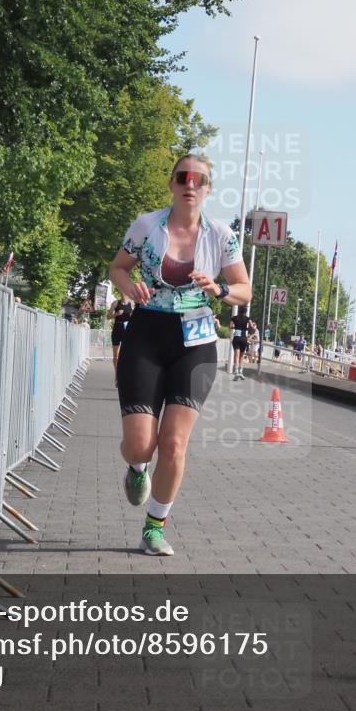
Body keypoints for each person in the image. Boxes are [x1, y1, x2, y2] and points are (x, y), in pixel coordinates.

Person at [108, 154, 251, 556]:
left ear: (208, 189)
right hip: (148, 332)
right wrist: (130, 285)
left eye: (200, 179)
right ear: (172, 183)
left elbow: (244, 289)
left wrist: (219, 290)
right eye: (183, 177)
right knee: (141, 445)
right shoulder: (146, 225)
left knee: (173, 444)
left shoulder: (221, 235)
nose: (191, 184)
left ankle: (154, 528)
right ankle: (137, 469)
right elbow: (117, 268)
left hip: (197, 337)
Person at [108, 294, 134, 385]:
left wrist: (132, 316)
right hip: (117, 329)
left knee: (127, 354)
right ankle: (117, 375)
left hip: (127, 329)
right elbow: (108, 316)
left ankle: (126, 375)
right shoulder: (115, 303)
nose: (123, 293)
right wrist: (116, 314)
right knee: (115, 356)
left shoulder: (132, 303)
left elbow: (136, 318)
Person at [229, 305, 251, 380]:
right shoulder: (247, 319)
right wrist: (246, 328)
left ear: (238, 310)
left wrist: (236, 327)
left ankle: (236, 371)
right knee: (241, 356)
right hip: (244, 338)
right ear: (246, 311)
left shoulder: (234, 318)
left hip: (237, 338)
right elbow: (251, 326)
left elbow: (230, 326)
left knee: (236, 355)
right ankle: (241, 372)